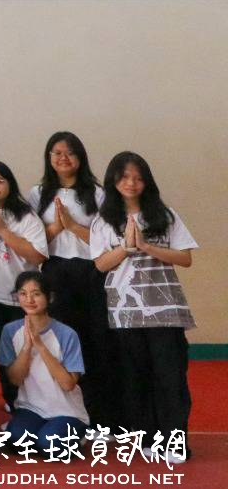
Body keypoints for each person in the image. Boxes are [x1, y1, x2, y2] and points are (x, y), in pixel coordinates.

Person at [90, 152, 196, 458]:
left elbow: (185, 258)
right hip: (125, 312)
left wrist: (147, 246)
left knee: (170, 377)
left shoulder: (165, 215)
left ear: (147, 181)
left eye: (138, 177)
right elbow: (100, 264)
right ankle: (149, 439)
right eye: (124, 177)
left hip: (165, 311)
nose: (131, 183)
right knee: (137, 378)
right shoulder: (104, 220)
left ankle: (175, 442)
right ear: (113, 181)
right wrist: (126, 247)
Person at [26, 131, 113, 427]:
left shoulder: (97, 194)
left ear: (80, 157)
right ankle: (63, 412)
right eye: (57, 153)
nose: (63, 158)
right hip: (54, 272)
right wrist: (56, 227)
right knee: (61, 342)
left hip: (90, 271)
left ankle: (100, 417)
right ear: (49, 158)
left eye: (70, 152)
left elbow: (105, 242)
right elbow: (33, 241)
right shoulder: (38, 193)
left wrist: (73, 226)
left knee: (94, 341)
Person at [0, 160, 47, 408]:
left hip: (19, 300)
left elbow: (38, 255)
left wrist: (3, 231)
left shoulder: (26, 215)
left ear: (10, 183)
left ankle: (18, 401)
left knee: (16, 354)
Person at [0, 271, 89, 452]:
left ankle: (78, 436)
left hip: (66, 410)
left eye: (36, 294)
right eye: (23, 294)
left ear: (50, 297)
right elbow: (15, 379)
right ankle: (40, 432)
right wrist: (27, 347)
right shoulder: (10, 331)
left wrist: (40, 345)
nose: (29, 300)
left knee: (49, 444)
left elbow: (68, 384)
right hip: (31, 408)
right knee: (16, 440)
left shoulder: (67, 333)